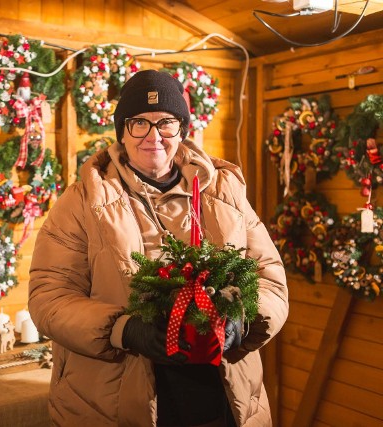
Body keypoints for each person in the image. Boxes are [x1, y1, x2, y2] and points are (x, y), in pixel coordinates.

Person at [28, 69, 288, 427]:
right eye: (139, 123)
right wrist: (124, 329)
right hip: (117, 401)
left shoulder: (224, 192)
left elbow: (270, 278)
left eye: (166, 123)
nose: (154, 136)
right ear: (122, 129)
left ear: (181, 129)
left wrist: (243, 320)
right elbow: (49, 298)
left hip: (223, 398)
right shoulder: (81, 202)